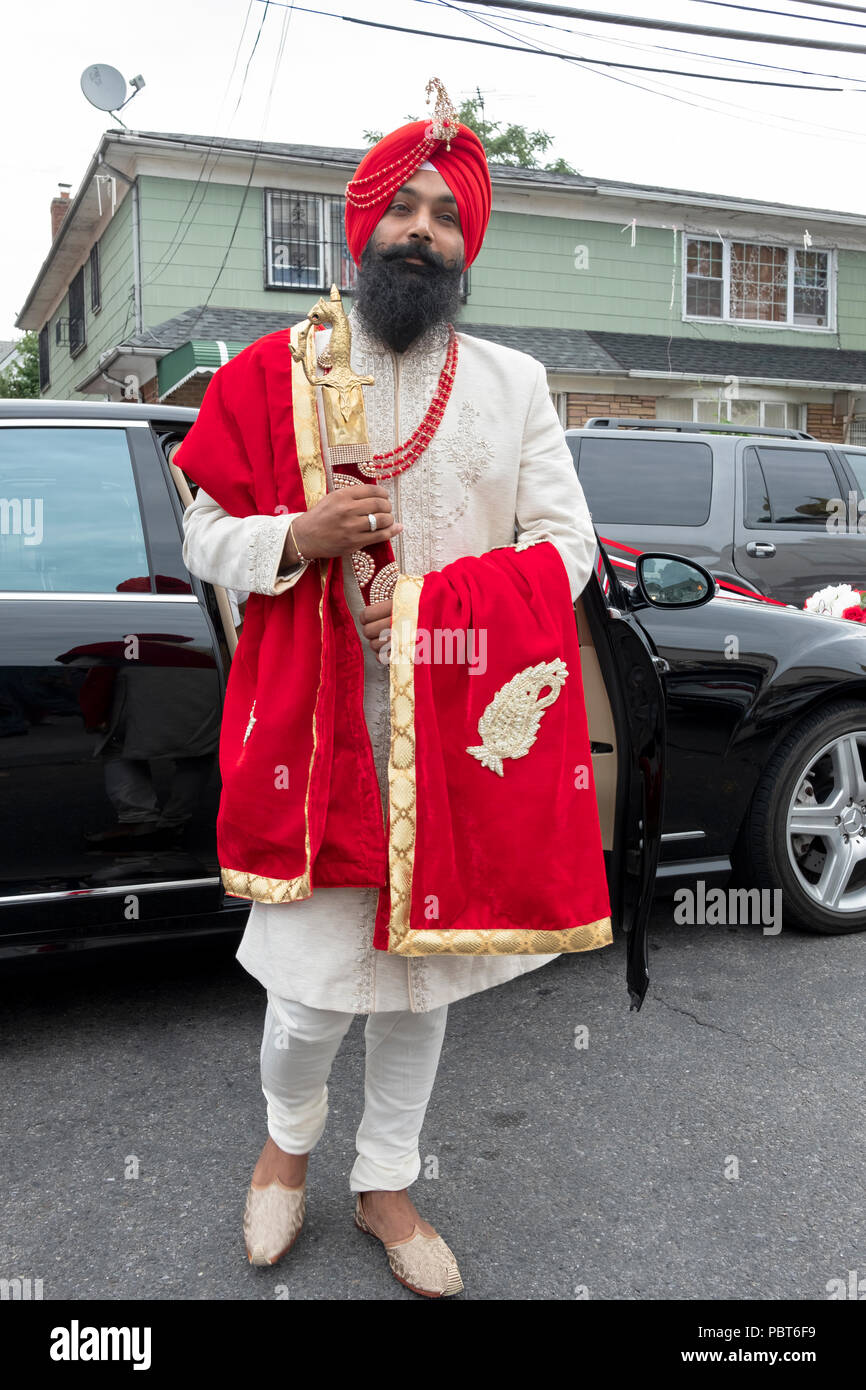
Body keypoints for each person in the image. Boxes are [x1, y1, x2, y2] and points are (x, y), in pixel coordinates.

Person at [179, 81, 600, 1298]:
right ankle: (283, 1150)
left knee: (421, 988)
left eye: (446, 217)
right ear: (361, 226)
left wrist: (438, 604)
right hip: (319, 732)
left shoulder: (514, 385)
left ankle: (384, 1182)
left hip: (455, 729)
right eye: (403, 208)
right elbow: (204, 526)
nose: (422, 229)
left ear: (466, 247)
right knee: (311, 992)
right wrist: (295, 538)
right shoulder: (274, 372)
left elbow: (565, 550)